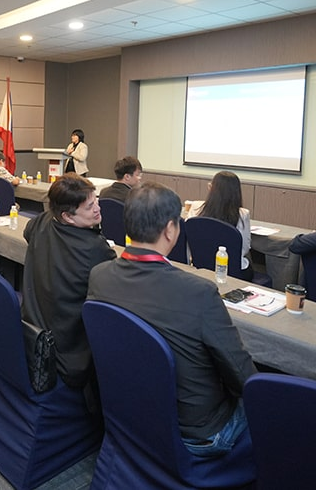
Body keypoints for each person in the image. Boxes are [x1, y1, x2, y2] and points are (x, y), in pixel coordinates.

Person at [89, 182, 256, 458]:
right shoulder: (198, 292)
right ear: (170, 229)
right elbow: (242, 375)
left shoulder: (99, 275)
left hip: (127, 412)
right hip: (195, 432)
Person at [21, 173, 116, 391]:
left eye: (96, 200)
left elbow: (28, 232)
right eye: (89, 206)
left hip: (33, 330)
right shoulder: (94, 249)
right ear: (68, 217)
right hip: (69, 351)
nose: (98, 208)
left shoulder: (42, 221)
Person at [195, 171, 253, 271]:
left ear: (211, 188)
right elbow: (244, 249)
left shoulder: (196, 208)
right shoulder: (243, 214)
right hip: (233, 270)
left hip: (202, 266)